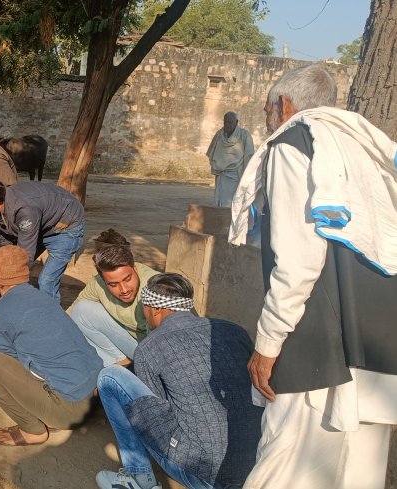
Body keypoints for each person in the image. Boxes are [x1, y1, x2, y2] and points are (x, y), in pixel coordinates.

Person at [228, 64, 397, 488]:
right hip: (374, 346)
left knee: (285, 468)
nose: (266, 119)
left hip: (319, 343)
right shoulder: (362, 147)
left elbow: (298, 262)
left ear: (283, 105)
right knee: (358, 474)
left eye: (267, 109)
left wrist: (267, 345)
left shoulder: (293, 141)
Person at [95, 273, 262, 489]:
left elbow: (156, 409)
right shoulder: (234, 330)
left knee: (110, 377)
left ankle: (137, 479)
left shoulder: (149, 348)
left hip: (204, 475)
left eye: (144, 307)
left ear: (155, 308)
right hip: (257, 464)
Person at [0, 245, 102, 446]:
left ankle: (32, 431)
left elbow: (8, 372)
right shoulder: (45, 297)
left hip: (71, 411)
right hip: (97, 394)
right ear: (25, 275)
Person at [0, 175, 84, 301]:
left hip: (65, 226)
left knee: (46, 281)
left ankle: (49, 315)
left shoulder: (25, 211)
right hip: (42, 221)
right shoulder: (1, 205)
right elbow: (6, 243)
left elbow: (25, 255)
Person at [67, 229, 159, 367]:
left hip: (158, 353)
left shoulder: (155, 288)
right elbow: (72, 312)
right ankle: (122, 364)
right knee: (80, 312)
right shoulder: (98, 283)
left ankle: (132, 371)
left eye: (127, 279)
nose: (124, 290)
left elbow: (168, 341)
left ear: (135, 268)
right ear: (103, 280)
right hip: (132, 344)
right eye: (113, 284)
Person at [206, 111, 254, 207]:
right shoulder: (219, 135)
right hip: (221, 174)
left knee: (233, 203)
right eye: (225, 122)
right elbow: (212, 152)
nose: (227, 125)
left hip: (235, 175)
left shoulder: (244, 135)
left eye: (230, 122)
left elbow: (249, 157)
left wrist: (247, 177)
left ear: (236, 122)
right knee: (220, 201)